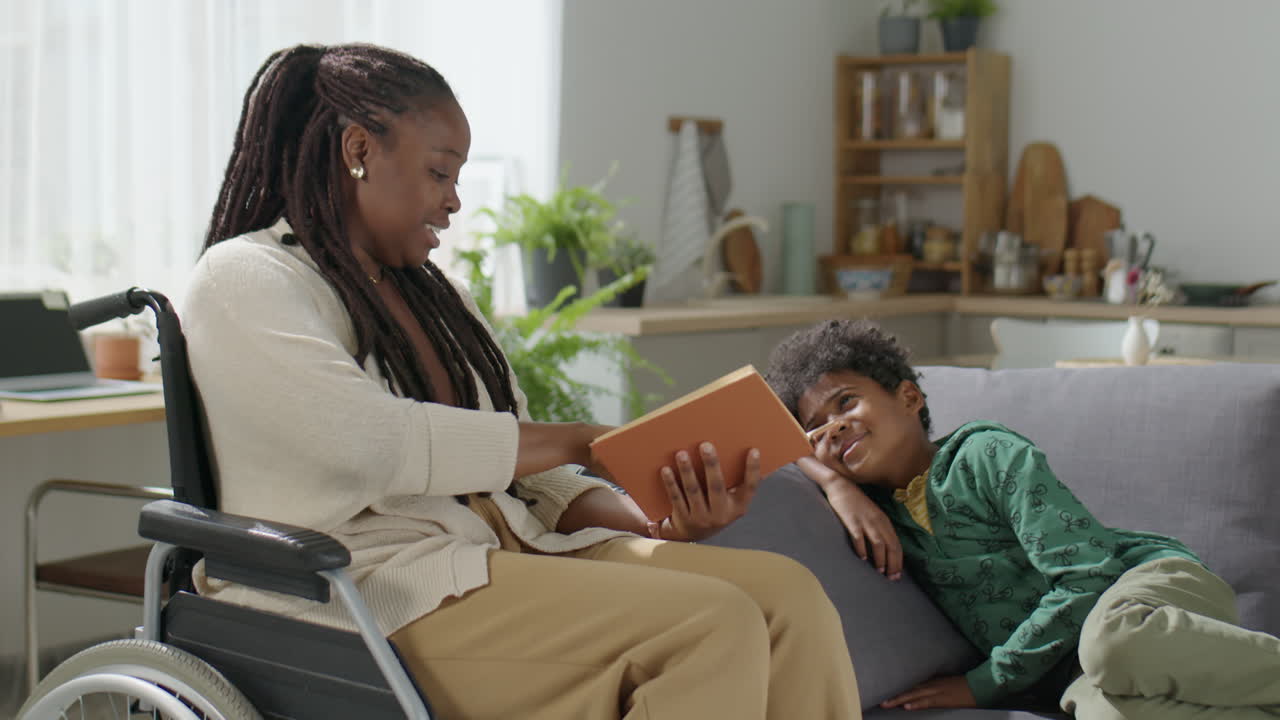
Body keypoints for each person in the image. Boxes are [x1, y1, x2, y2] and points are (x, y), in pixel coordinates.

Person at [182, 43, 860, 719]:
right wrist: (578, 440)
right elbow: (377, 445)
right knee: (709, 626)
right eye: (439, 173)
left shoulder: (435, 296)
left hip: (500, 552)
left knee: (790, 599)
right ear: (359, 148)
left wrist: (654, 517)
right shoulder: (246, 277)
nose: (452, 201)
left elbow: (529, 483)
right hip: (369, 591)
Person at [765, 318, 1280, 718]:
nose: (832, 429)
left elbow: (1088, 574)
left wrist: (987, 682)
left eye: (846, 403)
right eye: (814, 428)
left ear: (909, 396)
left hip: (1145, 591)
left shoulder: (986, 454)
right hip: (1073, 669)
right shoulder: (881, 517)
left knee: (1114, 643)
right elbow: (760, 434)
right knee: (1107, 712)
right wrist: (834, 483)